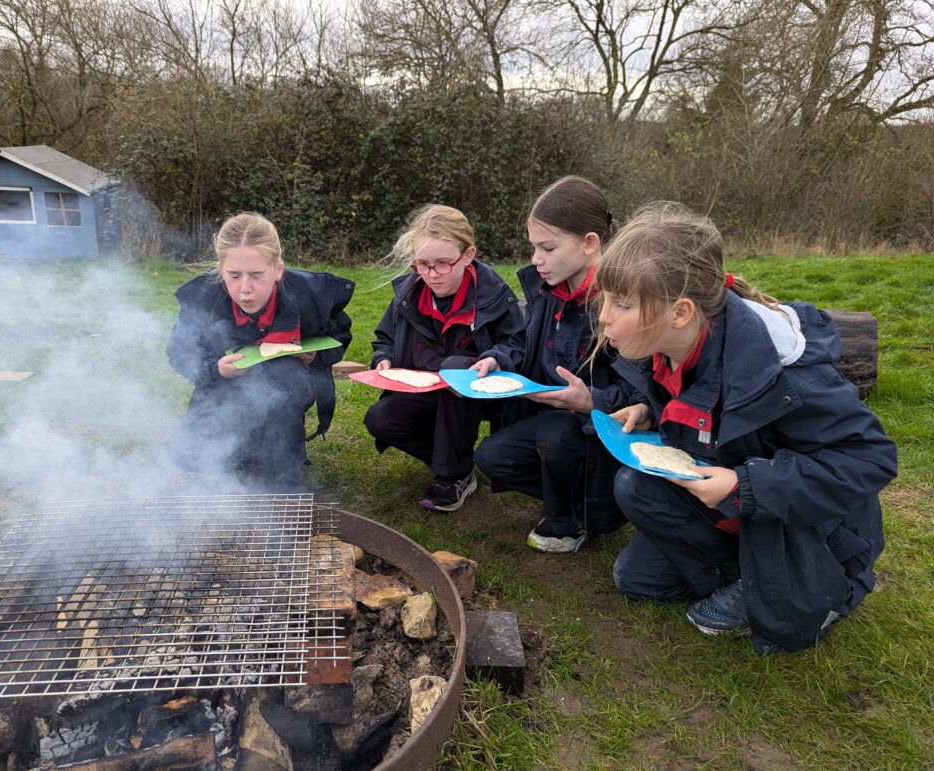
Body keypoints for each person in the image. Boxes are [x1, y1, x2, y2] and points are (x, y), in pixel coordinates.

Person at [596, 202, 897, 653]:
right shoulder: (670, 348)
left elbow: (871, 459)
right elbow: (712, 410)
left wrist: (744, 484)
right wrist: (650, 409)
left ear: (680, 313)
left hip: (813, 529)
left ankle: (813, 592)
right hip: (744, 508)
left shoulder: (786, 375)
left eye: (620, 304)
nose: (603, 317)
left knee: (792, 615)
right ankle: (743, 577)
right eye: (604, 300)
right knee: (635, 559)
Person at [473, 176, 625, 553]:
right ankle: (580, 505)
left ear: (590, 243)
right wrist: (498, 358)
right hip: (550, 414)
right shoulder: (548, 290)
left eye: (547, 247)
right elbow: (524, 342)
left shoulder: (622, 302)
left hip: (602, 426)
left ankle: (568, 522)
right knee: (491, 456)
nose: (535, 259)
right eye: (534, 247)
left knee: (557, 435)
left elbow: (645, 391)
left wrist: (591, 400)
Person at [166, 212, 354, 490]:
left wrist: (317, 357)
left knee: (280, 384)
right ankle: (250, 450)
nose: (245, 289)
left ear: (278, 269)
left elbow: (341, 335)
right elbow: (179, 352)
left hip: (289, 385)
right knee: (185, 451)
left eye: (256, 275)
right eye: (234, 275)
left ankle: (283, 481)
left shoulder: (311, 296)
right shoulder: (202, 300)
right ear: (220, 270)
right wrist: (215, 368)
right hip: (226, 389)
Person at [364, 204, 524, 512]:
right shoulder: (408, 293)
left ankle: (453, 475)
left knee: (453, 370)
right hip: (423, 389)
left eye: (442, 264)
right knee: (379, 419)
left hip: (475, 394)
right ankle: (454, 459)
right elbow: (384, 337)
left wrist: (494, 358)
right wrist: (382, 358)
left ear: (468, 254)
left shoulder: (493, 294)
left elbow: (516, 342)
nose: (431, 274)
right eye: (422, 264)